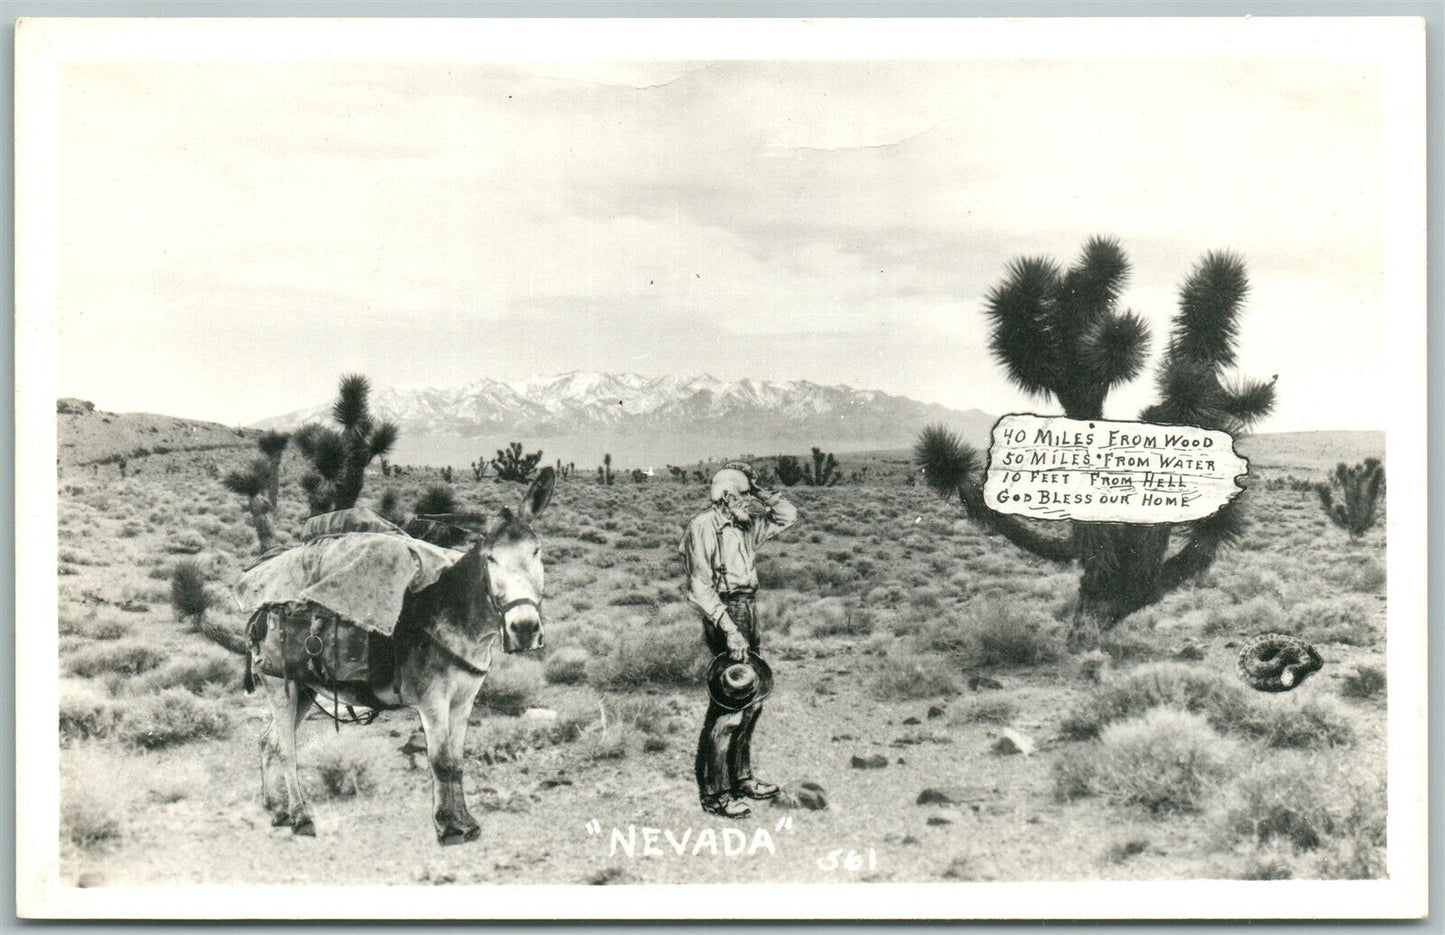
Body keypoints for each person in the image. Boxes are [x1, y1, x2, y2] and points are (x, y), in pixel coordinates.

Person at [681, 461, 798, 818]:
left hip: (748, 608)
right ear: (727, 496)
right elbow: (699, 586)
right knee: (729, 706)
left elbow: (788, 515)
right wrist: (730, 629)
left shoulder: (746, 526)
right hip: (724, 613)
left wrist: (760, 489)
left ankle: (742, 777)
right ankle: (716, 793)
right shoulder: (702, 528)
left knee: (753, 698)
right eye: (745, 495)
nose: (751, 502)